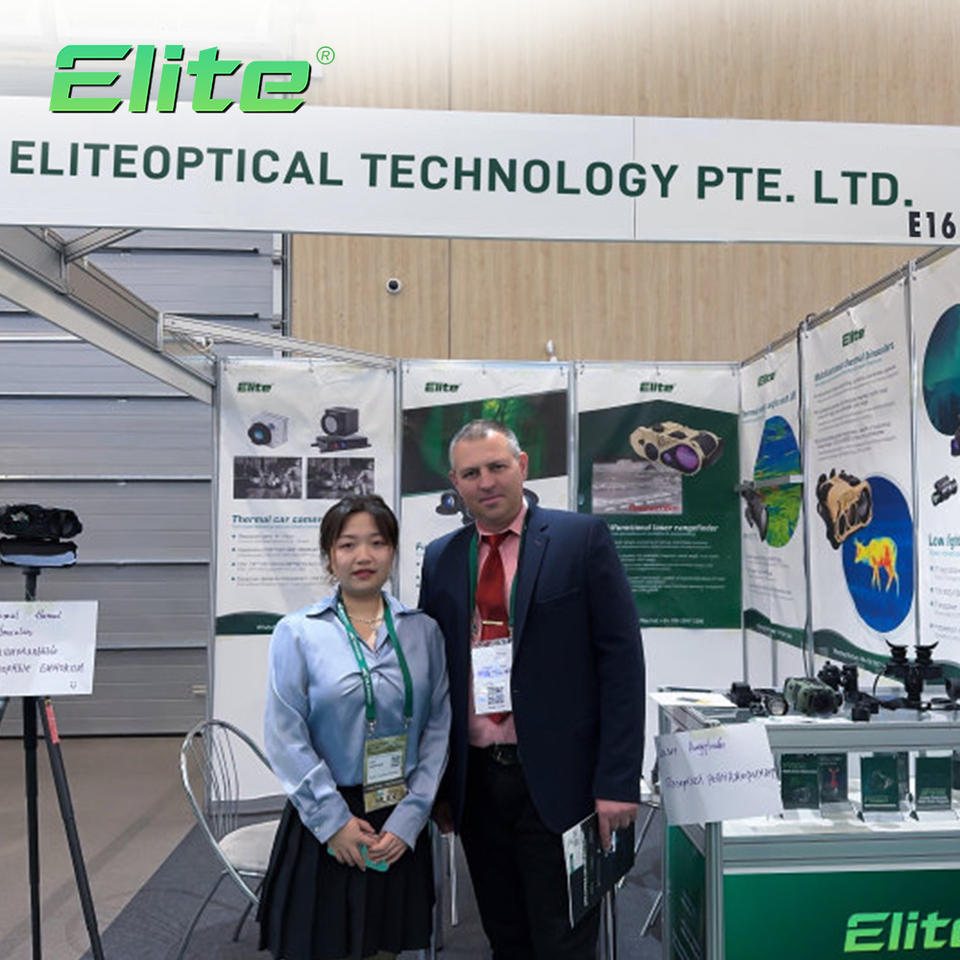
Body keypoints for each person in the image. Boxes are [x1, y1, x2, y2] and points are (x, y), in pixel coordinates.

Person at [418, 420, 645, 960]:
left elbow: (621, 666)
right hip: (478, 785)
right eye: (471, 473)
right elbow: (436, 679)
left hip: (564, 783)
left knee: (564, 941)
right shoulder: (441, 558)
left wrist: (617, 781)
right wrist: (441, 785)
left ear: (522, 466)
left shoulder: (580, 540)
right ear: (455, 482)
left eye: (497, 467)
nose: (485, 482)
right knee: (506, 937)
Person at [258, 494, 450, 960]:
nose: (363, 556)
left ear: (393, 552)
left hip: (396, 818)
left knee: (387, 946)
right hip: (327, 818)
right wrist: (334, 823)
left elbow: (438, 729)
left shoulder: (423, 631)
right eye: (348, 545)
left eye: (377, 543)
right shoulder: (298, 632)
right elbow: (285, 736)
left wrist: (411, 818)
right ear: (330, 556)